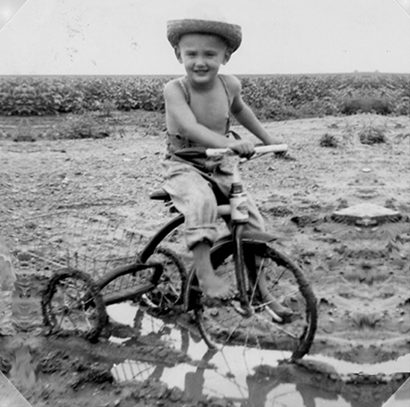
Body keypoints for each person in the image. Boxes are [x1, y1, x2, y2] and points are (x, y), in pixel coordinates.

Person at [162, 17, 292, 320]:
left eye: (210, 54)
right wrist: (228, 142)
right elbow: (190, 126)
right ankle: (206, 275)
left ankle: (262, 293)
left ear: (226, 57)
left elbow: (241, 111)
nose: (200, 61)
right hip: (184, 164)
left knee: (248, 220)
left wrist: (269, 140)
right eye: (191, 54)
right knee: (201, 201)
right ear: (178, 55)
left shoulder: (229, 84)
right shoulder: (175, 89)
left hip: (220, 162)